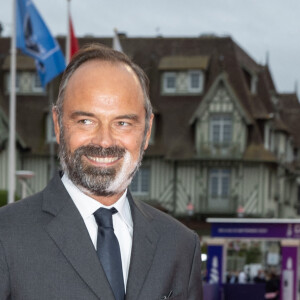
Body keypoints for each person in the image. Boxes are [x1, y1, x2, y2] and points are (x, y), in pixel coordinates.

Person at [0, 44, 203, 300]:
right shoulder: (5, 235)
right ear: (58, 124)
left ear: (147, 131)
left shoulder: (180, 245)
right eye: (86, 121)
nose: (104, 141)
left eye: (122, 123)